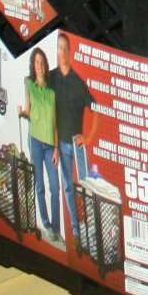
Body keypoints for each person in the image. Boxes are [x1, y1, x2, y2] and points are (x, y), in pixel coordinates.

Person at [51, 34, 94, 249]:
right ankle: (76, 233)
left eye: (66, 48)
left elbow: (96, 109)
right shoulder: (51, 77)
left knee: (86, 186)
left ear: (70, 52)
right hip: (62, 143)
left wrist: (88, 137)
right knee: (68, 187)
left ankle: (91, 232)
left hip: (77, 144)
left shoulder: (77, 82)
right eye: (59, 48)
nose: (63, 52)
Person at [18, 48, 61, 244]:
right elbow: (28, 110)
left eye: (42, 62)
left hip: (50, 144)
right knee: (40, 185)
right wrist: (21, 112)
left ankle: (56, 227)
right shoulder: (29, 84)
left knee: (55, 187)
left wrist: (57, 148)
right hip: (35, 140)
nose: (40, 66)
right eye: (37, 62)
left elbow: (55, 121)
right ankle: (46, 224)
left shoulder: (52, 91)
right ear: (33, 65)